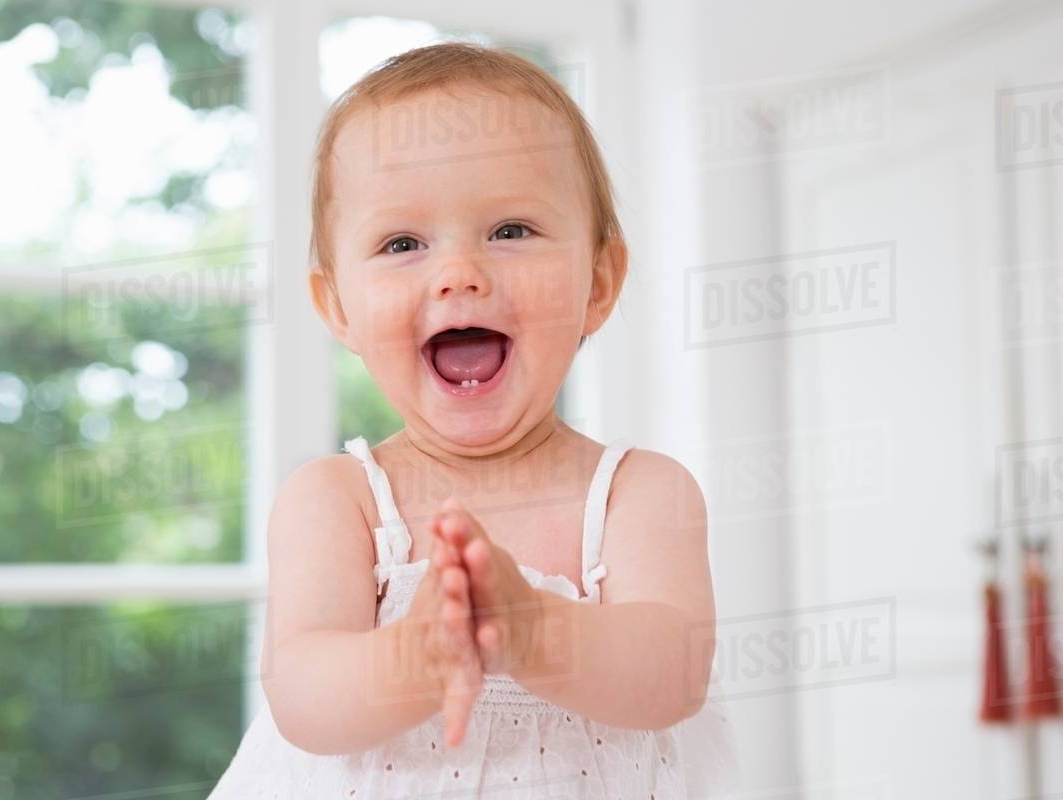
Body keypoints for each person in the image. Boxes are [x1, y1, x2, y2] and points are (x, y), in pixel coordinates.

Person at [208, 41, 740, 799]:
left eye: (511, 230)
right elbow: (302, 698)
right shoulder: (339, 501)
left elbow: (674, 677)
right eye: (402, 244)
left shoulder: (641, 494)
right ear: (337, 307)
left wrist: (532, 630)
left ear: (599, 282)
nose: (459, 274)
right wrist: (416, 656)